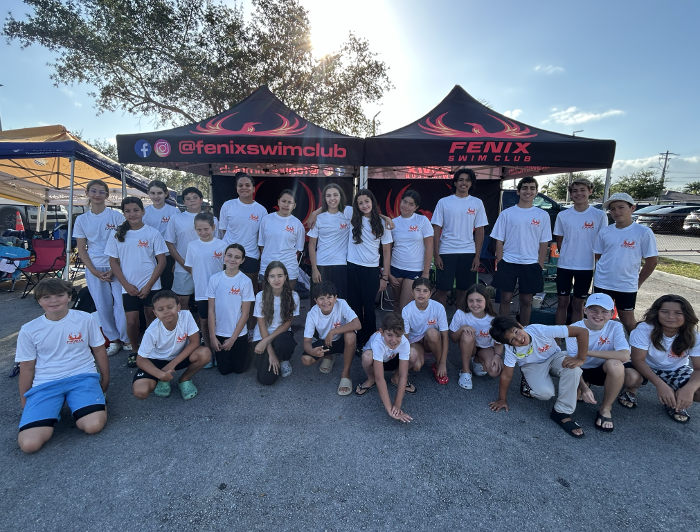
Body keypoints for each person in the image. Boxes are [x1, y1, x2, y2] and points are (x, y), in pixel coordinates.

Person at [15, 278, 109, 453]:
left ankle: (83, 403)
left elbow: (99, 350)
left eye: (59, 295)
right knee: (29, 444)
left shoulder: (85, 318)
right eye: (47, 297)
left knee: (93, 425)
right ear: (39, 301)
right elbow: (27, 368)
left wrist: (105, 379)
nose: (54, 300)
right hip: (46, 383)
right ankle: (57, 407)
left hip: (82, 377)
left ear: (69, 296)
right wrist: (25, 400)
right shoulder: (29, 330)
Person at [488, 316, 589, 438]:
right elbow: (506, 375)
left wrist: (581, 358)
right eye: (512, 340)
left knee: (574, 369)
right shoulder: (511, 349)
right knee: (545, 394)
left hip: (555, 356)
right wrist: (502, 399)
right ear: (508, 344)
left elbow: (582, 331)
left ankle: (562, 412)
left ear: (520, 325)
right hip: (531, 366)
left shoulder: (540, 330)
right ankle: (527, 380)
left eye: (516, 332)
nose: (519, 339)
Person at [106, 197, 167, 368]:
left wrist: (149, 285)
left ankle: (152, 349)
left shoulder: (152, 233)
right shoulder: (117, 234)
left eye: (135, 210)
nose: (132, 214)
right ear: (123, 213)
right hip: (129, 286)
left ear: (143, 211)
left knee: (151, 317)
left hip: (152, 285)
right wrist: (125, 285)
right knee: (132, 321)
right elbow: (113, 262)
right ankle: (135, 350)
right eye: (128, 211)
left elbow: (161, 261)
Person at [619, 294, 700, 423]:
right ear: (656, 312)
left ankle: (674, 400)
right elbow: (638, 360)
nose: (671, 316)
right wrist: (660, 385)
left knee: (697, 389)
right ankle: (630, 389)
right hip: (644, 364)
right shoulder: (644, 329)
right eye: (664, 311)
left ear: (687, 315)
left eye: (678, 313)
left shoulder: (693, 335)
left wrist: (689, 389)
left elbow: (698, 368)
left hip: (675, 369)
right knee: (631, 378)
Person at [73, 179, 130, 355]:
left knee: (121, 304)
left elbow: (124, 243)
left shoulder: (116, 216)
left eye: (101, 191)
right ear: (87, 193)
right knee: (102, 305)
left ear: (107, 195)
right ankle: (113, 339)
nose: (97, 195)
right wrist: (94, 271)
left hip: (117, 265)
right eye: (93, 191)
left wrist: (114, 268)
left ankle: (126, 338)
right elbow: (81, 249)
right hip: (95, 267)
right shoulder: (81, 220)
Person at [593, 192, 658, 334]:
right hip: (602, 283)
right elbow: (598, 255)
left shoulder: (643, 232)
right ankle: (600, 346)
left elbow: (652, 261)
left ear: (632, 208)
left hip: (626, 285)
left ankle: (636, 346)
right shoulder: (605, 231)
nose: (616, 211)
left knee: (627, 320)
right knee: (599, 320)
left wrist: (637, 282)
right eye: (613, 209)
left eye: (621, 207)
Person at [491, 176, 551, 326]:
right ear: (518, 191)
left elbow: (544, 243)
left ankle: (524, 330)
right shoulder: (507, 213)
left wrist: (540, 264)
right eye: (524, 188)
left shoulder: (542, 215)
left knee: (526, 300)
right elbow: (499, 240)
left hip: (531, 263)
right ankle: (503, 329)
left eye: (532, 188)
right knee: (505, 298)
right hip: (508, 261)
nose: (528, 191)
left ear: (536, 192)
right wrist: (500, 262)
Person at [565, 293, 630, 432]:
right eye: (593, 309)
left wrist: (586, 352)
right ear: (585, 310)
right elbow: (572, 362)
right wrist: (584, 387)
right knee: (570, 404)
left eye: (604, 311)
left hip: (602, 369)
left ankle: (606, 408)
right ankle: (585, 384)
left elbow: (625, 355)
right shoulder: (574, 328)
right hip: (579, 369)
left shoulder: (615, 326)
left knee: (616, 365)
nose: (598, 315)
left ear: (612, 314)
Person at [132, 290, 211, 400]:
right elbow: (140, 360)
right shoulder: (151, 331)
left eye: (170, 307)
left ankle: (184, 379)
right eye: (160, 309)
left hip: (179, 356)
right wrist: (160, 375)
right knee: (140, 391)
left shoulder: (186, 316)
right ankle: (162, 379)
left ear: (178, 307)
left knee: (205, 353)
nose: (166, 312)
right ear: (155, 313)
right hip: (156, 361)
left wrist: (171, 365)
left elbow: (195, 342)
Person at [553, 178, 608, 325]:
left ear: (590, 191)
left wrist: (596, 261)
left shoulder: (599, 215)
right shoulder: (563, 215)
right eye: (575, 191)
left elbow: (602, 241)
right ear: (570, 194)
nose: (579, 194)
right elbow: (559, 240)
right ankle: (558, 336)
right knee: (562, 302)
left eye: (583, 190)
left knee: (578, 305)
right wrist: (567, 254)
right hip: (564, 266)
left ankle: (575, 335)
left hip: (586, 266)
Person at [432, 168, 488, 309]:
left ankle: (460, 321)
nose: (464, 183)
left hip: (468, 252)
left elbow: (480, 231)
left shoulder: (477, 203)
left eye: (467, 180)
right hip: (446, 252)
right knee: (442, 290)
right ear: (455, 183)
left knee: (464, 291)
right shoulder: (443, 202)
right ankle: (440, 322)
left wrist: (477, 256)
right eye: (461, 180)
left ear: (471, 183)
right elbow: (436, 229)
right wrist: (436, 255)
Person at [347, 189, 392, 349]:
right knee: (354, 306)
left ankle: (371, 341)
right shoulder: (351, 216)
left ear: (372, 201)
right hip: (352, 268)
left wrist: (385, 277)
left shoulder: (382, 224)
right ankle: (357, 340)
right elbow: (331, 205)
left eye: (367, 201)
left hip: (371, 270)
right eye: (360, 203)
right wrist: (314, 214)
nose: (364, 205)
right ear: (356, 205)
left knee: (369, 308)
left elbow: (386, 252)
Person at [355, 313, 416, 423]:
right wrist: (390, 409)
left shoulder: (404, 342)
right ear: (381, 332)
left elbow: (403, 375)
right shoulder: (378, 342)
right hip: (376, 362)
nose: (394, 340)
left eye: (398, 336)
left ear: (403, 334)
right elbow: (380, 378)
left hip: (392, 359)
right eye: (389, 335)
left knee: (413, 354)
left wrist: (397, 405)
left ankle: (395, 378)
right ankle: (370, 379)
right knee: (366, 357)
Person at [302, 281, 360, 396]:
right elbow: (306, 342)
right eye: (321, 298)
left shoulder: (341, 303)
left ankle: (346, 374)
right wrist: (312, 351)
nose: (326, 302)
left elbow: (357, 324)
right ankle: (328, 356)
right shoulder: (312, 313)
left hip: (342, 341)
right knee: (306, 359)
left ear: (335, 298)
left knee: (351, 335)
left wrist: (333, 331)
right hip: (326, 342)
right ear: (316, 301)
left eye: (329, 297)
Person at [206, 243, 255, 375]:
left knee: (239, 370)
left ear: (242, 260)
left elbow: (245, 314)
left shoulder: (245, 281)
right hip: (220, 333)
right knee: (224, 371)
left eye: (237, 257)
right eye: (229, 255)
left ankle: (248, 349)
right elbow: (211, 310)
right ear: (224, 256)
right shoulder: (214, 279)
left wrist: (233, 339)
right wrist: (212, 336)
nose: (232, 259)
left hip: (238, 334)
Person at [184, 213, 226, 356]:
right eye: (199, 230)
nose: (203, 232)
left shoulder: (222, 245)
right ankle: (209, 350)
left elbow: (226, 268)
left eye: (206, 229)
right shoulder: (192, 246)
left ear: (213, 227)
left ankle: (221, 348)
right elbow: (191, 267)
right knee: (204, 320)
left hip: (219, 290)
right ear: (195, 229)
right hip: (202, 290)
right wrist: (198, 281)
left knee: (219, 319)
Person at [218, 172, 268, 293]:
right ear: (236, 188)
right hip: (229, 254)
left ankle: (250, 307)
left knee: (250, 289)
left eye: (247, 185)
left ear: (253, 188)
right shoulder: (228, 205)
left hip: (251, 254)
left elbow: (261, 236)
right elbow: (224, 230)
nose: (244, 188)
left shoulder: (261, 210)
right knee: (228, 288)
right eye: (240, 185)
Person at [252, 261, 300, 385]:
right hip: (262, 336)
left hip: (281, 336)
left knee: (285, 341)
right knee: (266, 380)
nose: (276, 280)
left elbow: (287, 324)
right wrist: (270, 351)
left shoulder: (294, 296)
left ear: (285, 277)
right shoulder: (260, 296)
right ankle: (274, 357)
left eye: (280, 276)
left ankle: (284, 359)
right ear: (267, 279)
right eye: (272, 276)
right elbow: (262, 325)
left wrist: (265, 342)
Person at [165, 187, 212, 311]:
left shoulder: (212, 219)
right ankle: (186, 324)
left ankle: (205, 324)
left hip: (207, 267)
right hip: (182, 266)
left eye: (195, 197)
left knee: (208, 301)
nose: (192, 201)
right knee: (182, 301)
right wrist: (182, 263)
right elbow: (169, 243)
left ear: (201, 199)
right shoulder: (176, 218)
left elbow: (216, 244)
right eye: (188, 198)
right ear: (184, 202)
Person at [449, 283, 504, 391]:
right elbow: (453, 339)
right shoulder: (461, 314)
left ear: (486, 300)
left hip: (486, 348)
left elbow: (498, 343)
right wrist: (462, 328)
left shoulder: (493, 319)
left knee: (495, 371)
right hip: (469, 346)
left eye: (479, 300)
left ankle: (477, 360)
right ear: (466, 301)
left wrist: (497, 356)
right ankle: (465, 371)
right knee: (467, 335)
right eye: (471, 300)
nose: (475, 304)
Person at [388, 190, 433, 311]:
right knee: (396, 303)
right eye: (404, 202)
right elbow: (388, 249)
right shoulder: (393, 223)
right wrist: (388, 273)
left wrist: (426, 273)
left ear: (416, 207)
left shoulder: (422, 221)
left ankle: (405, 324)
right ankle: (395, 324)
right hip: (396, 268)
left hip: (414, 270)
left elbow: (429, 247)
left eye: (411, 204)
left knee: (405, 307)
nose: (406, 206)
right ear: (400, 202)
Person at [307, 183, 352, 299]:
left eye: (335, 195)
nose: (332, 198)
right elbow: (311, 245)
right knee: (321, 301)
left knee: (339, 301)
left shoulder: (348, 214)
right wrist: (314, 269)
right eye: (328, 196)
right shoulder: (319, 218)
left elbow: (368, 213)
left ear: (341, 196)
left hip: (341, 265)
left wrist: (386, 218)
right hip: (321, 265)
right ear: (324, 198)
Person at [401, 277, 449, 384]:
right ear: (412, 292)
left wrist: (443, 363)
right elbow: (405, 338)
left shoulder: (438, 307)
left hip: (431, 340)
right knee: (416, 366)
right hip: (415, 341)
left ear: (430, 294)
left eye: (425, 291)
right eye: (418, 290)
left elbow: (445, 337)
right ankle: (419, 354)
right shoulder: (407, 310)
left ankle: (437, 364)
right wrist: (404, 362)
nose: (421, 294)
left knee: (432, 333)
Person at [258, 189, 305, 290]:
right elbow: (262, 245)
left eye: (290, 202)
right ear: (278, 202)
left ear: (294, 205)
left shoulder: (298, 224)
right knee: (266, 298)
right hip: (267, 266)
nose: (286, 205)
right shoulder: (266, 219)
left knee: (287, 298)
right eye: (283, 201)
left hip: (289, 269)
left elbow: (298, 250)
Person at [142, 180, 180, 290]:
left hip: (169, 256)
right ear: (148, 194)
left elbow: (179, 237)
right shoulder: (144, 212)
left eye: (159, 193)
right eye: (153, 193)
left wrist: (177, 261)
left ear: (166, 193)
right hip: (150, 257)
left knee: (167, 288)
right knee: (152, 288)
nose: (156, 196)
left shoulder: (174, 212)